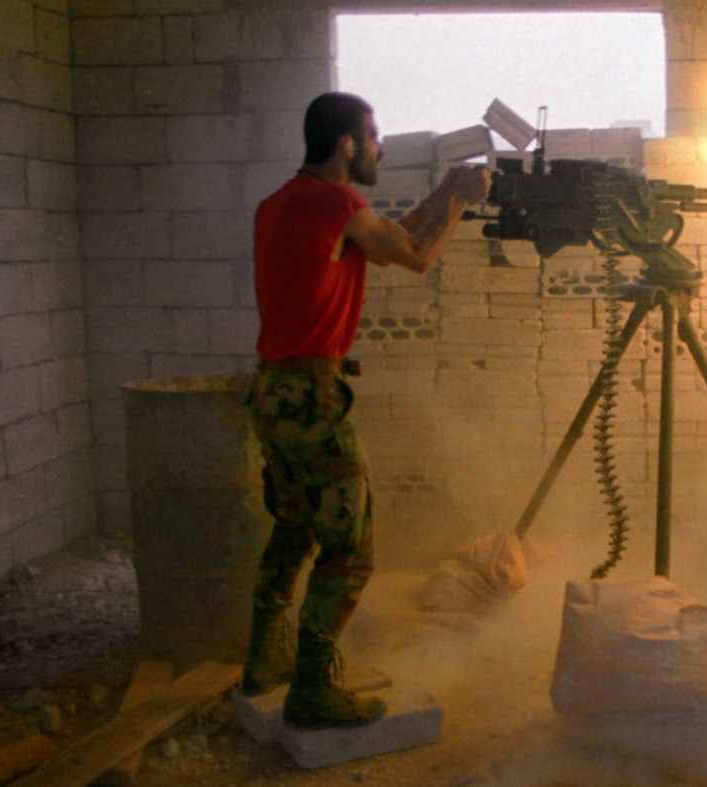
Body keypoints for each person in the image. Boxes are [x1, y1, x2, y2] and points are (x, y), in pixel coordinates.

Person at [240, 92, 489, 729]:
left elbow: (389, 236)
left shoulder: (281, 205)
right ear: (347, 145)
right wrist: (460, 199)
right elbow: (417, 254)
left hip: (272, 393)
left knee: (296, 527)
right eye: (373, 138)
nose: (379, 147)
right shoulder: (339, 203)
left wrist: (439, 192)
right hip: (313, 399)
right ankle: (313, 688)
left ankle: (266, 659)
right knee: (351, 548)